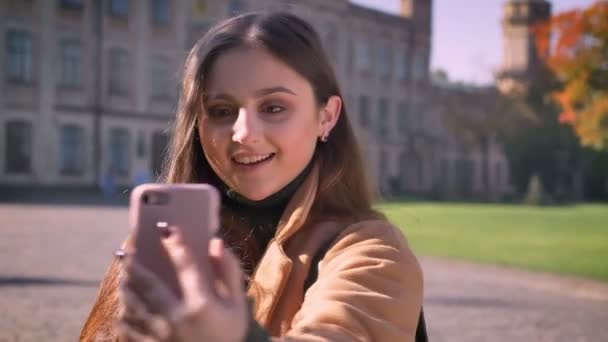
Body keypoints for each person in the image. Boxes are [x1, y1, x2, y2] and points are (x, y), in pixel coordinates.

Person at [80, 11, 424, 342]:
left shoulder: (373, 252)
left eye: (274, 107)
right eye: (222, 111)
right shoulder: (157, 243)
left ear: (327, 117)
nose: (243, 133)